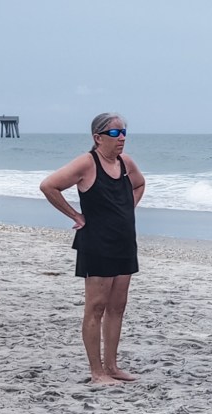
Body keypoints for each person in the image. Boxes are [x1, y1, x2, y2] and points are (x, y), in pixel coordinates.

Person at [40, 113, 146, 385]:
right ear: (98, 138)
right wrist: (75, 215)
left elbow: (139, 184)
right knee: (96, 307)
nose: (121, 138)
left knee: (117, 307)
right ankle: (97, 371)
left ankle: (112, 366)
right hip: (97, 243)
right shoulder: (87, 163)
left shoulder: (126, 163)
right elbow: (49, 186)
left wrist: (127, 208)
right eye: (115, 133)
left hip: (124, 242)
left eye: (124, 132)